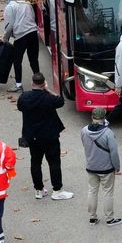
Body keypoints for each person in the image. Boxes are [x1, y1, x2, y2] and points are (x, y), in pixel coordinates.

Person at [16, 73, 74, 201]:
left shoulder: (24, 97)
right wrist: (47, 90)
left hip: (32, 137)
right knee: (54, 163)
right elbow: (60, 101)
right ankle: (57, 190)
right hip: (49, 136)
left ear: (32, 82)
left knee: (35, 162)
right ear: (44, 83)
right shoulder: (49, 98)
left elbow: (20, 107)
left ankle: (39, 190)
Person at [81, 107, 122, 227]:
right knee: (108, 193)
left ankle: (92, 218)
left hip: (91, 166)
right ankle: (109, 218)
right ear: (104, 118)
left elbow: (85, 145)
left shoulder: (84, 131)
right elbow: (114, 152)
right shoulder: (108, 133)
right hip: (106, 168)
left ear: (92, 117)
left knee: (92, 191)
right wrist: (117, 167)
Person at [1, 0, 40, 93]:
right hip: (33, 33)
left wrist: (5, 39)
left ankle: (18, 84)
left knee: (17, 60)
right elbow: (34, 16)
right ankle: (40, 83)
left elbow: (9, 27)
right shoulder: (26, 2)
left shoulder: (10, 7)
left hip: (21, 35)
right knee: (33, 59)